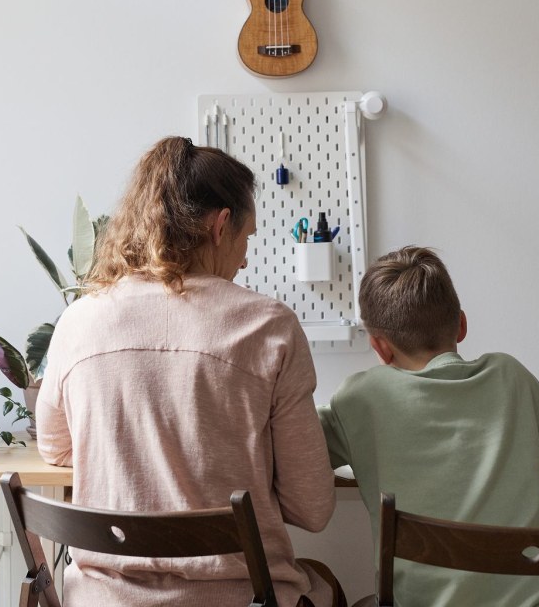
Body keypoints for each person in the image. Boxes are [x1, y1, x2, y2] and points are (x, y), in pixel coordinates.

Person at [37, 136, 344, 607]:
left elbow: (56, 448)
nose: (244, 258)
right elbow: (313, 507)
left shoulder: (80, 320)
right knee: (326, 582)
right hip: (242, 599)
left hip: (103, 602)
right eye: (247, 238)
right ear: (221, 226)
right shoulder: (269, 326)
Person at [318, 246, 539, 607]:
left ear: (380, 348)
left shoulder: (360, 398)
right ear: (462, 324)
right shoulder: (510, 376)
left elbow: (296, 447)